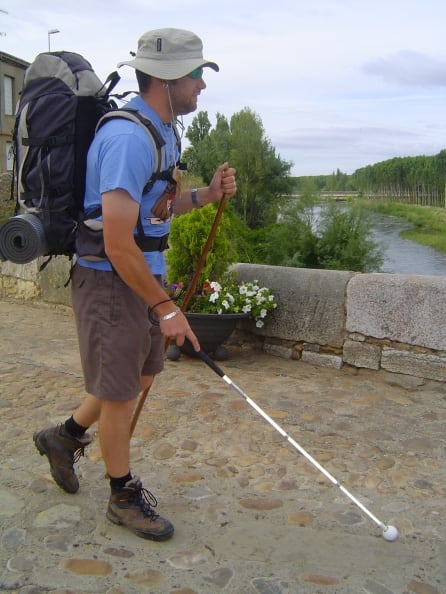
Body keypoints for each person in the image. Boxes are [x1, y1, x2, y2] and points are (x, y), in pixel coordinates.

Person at [33, 28, 237, 542]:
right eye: (196, 76)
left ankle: (65, 437)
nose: (201, 86)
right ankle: (121, 497)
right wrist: (166, 306)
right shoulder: (127, 138)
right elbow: (120, 243)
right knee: (122, 393)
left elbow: (155, 211)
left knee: (138, 378)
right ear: (167, 80)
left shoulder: (164, 131)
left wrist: (207, 196)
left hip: (144, 278)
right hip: (111, 284)